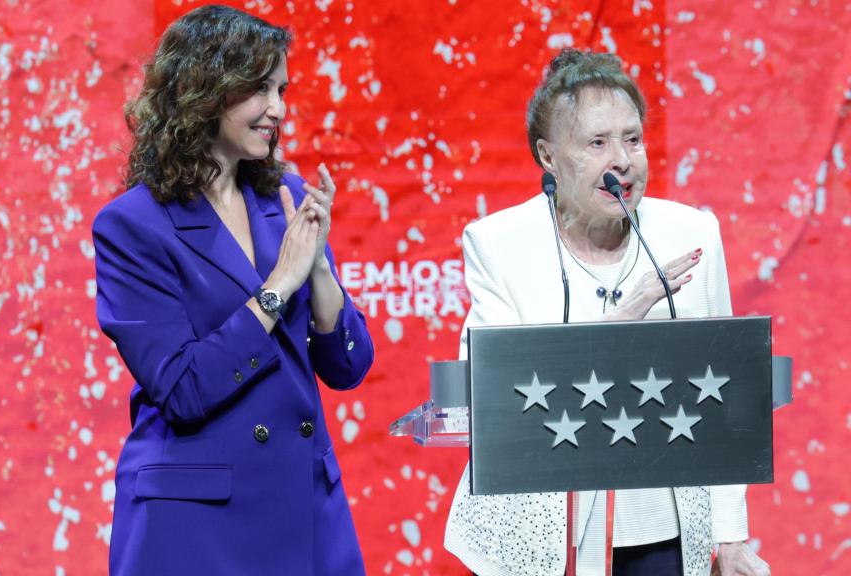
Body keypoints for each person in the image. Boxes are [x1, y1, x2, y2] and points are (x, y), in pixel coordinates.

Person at [443, 49, 771, 576]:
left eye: (633, 139)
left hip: (664, 529)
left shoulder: (691, 234)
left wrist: (730, 538)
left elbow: (727, 398)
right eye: (598, 143)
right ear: (548, 157)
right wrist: (620, 324)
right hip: (544, 539)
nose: (622, 160)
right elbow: (485, 387)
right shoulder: (499, 243)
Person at [92, 6, 374, 575]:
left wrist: (317, 269)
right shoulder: (133, 226)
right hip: (198, 522)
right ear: (204, 91)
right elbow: (183, 389)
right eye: (259, 90)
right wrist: (275, 290)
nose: (279, 110)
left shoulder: (286, 198)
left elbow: (348, 366)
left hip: (305, 504)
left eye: (282, 89)